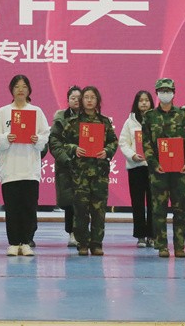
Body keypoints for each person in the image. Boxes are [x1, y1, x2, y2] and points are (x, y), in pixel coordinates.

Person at [49, 85, 118, 256]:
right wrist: (74, 148)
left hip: (99, 173)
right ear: (81, 101)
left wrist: (107, 151)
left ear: (97, 100)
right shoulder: (73, 123)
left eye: (92, 97)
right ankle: (82, 242)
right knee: (80, 209)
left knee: (99, 210)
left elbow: (113, 141)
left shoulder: (104, 122)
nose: (89, 100)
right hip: (79, 174)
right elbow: (62, 142)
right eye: (86, 97)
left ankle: (97, 243)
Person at [0, 74, 50, 256]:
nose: (21, 89)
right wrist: (6, 138)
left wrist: (37, 139)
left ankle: (26, 242)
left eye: (24, 86)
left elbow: (45, 135)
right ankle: (13, 243)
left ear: (29, 89)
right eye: (17, 86)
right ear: (12, 90)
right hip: (10, 168)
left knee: (29, 208)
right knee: (12, 208)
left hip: (30, 168)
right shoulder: (3, 112)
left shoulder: (36, 111)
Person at [142, 77, 185, 258]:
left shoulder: (183, 115)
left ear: (174, 93)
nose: (165, 94)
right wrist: (154, 164)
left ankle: (179, 246)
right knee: (159, 210)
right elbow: (146, 144)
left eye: (168, 91)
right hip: (159, 172)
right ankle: (162, 246)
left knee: (181, 210)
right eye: (162, 91)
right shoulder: (149, 116)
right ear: (157, 93)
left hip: (180, 172)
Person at [119, 90, 155, 248]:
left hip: (153, 168)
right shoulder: (130, 122)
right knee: (138, 202)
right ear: (136, 103)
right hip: (136, 167)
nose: (144, 103)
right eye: (141, 100)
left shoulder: (156, 120)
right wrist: (132, 155)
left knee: (153, 203)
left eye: (147, 100)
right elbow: (123, 142)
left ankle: (152, 235)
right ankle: (140, 235)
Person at [50, 85, 81, 248]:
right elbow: (54, 142)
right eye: (72, 98)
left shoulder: (90, 117)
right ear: (68, 100)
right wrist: (66, 159)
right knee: (69, 201)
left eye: (79, 98)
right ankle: (72, 233)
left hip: (85, 166)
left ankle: (83, 233)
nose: (76, 100)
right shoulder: (60, 117)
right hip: (66, 165)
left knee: (84, 201)